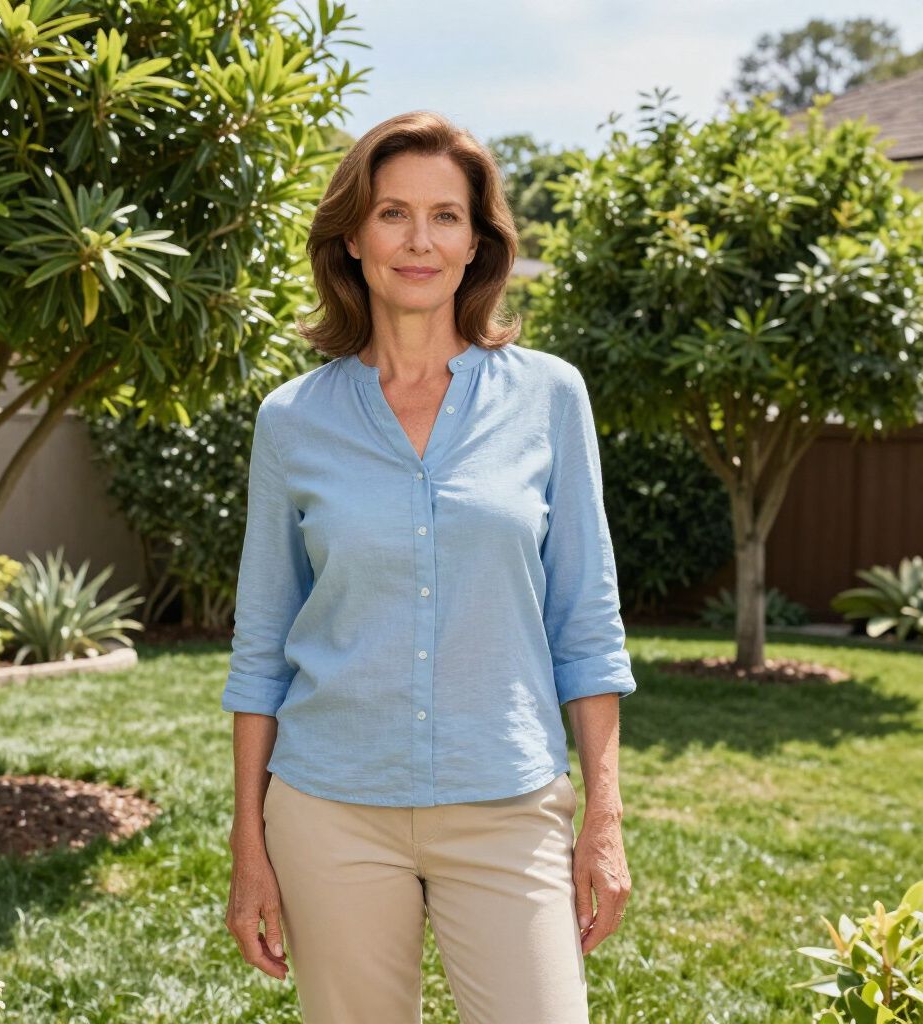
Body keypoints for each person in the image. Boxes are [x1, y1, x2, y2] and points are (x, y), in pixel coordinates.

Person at [222, 109, 637, 1024]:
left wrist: (601, 821)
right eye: (393, 213)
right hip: (330, 807)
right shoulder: (292, 420)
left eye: (446, 216)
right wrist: (248, 844)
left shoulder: (550, 398)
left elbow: (587, 626)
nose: (420, 240)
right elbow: (261, 650)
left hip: (509, 801)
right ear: (354, 238)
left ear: (478, 241)